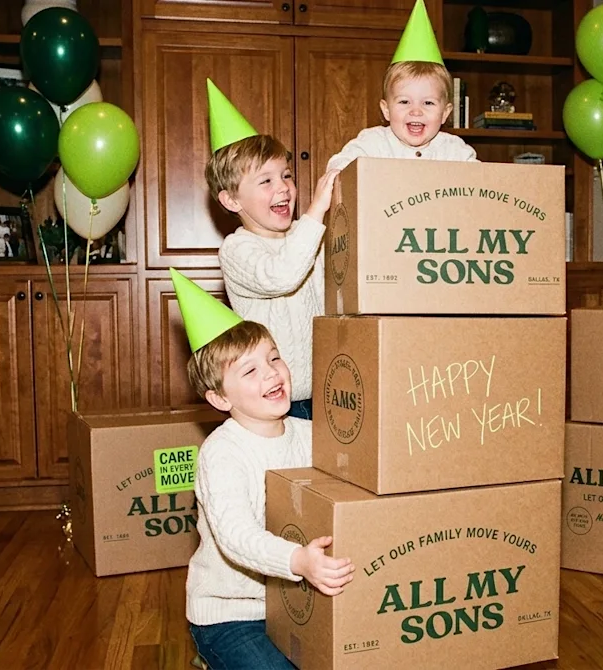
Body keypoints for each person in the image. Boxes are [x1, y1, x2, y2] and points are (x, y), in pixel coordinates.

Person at [170, 269, 355, 669]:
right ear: (219, 398)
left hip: (299, 598)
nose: (272, 373)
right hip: (232, 613)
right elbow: (237, 536)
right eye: (250, 371)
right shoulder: (222, 454)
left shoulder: (312, 435)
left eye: (274, 358)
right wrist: (298, 561)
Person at [205, 79, 339, 420]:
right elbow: (282, 275)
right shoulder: (237, 249)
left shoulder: (307, 235)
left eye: (287, 175)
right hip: (275, 401)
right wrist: (316, 211)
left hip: (328, 390)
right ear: (231, 199)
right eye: (266, 181)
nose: (284, 188)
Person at [326, 0, 477, 171]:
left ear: (445, 113)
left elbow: (481, 178)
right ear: (386, 110)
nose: (416, 111)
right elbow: (339, 167)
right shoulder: (372, 143)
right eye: (404, 102)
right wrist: (340, 172)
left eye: (428, 103)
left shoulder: (455, 150)